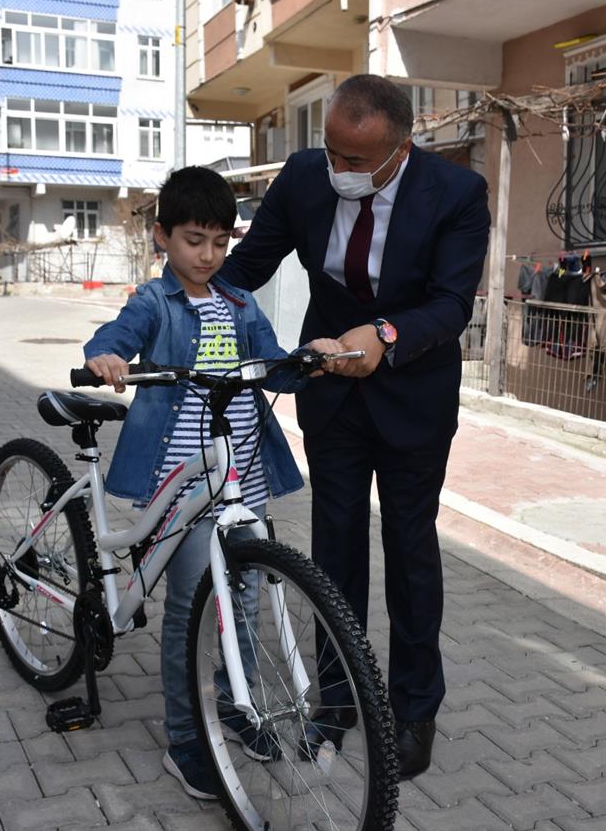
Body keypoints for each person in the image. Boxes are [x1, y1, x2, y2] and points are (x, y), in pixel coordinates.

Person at [220, 74, 491, 780]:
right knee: (334, 549)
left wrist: (383, 334)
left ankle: (413, 708)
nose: (338, 170)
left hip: (412, 397)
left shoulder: (456, 195)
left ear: (400, 149)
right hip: (331, 397)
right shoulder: (307, 176)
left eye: (355, 160)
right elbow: (249, 264)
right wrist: (174, 293)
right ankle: (337, 700)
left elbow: (451, 304)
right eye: (331, 152)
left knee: (409, 552)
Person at [82, 166, 339, 800]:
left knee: (243, 600)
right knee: (191, 611)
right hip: (181, 482)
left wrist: (310, 359)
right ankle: (187, 741)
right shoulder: (154, 301)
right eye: (195, 239)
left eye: (221, 241)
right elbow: (118, 334)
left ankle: (236, 708)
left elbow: (273, 370)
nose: (208, 255)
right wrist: (107, 355)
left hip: (241, 474)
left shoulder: (241, 303)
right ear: (162, 236)